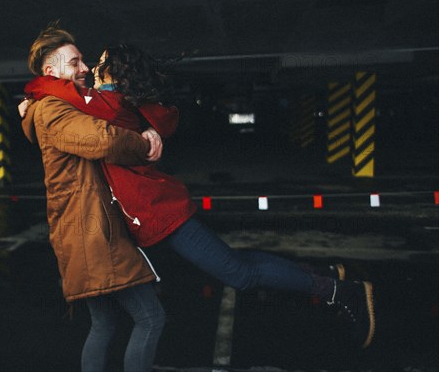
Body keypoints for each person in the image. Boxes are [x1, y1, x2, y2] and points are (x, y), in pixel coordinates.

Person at [20, 42, 376, 350]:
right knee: (236, 262)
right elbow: (95, 114)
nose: (90, 69)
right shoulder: (115, 105)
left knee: (240, 276)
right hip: (159, 212)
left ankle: (340, 291)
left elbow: (68, 108)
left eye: (98, 63)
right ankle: (322, 272)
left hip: (164, 215)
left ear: (113, 72)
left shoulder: (109, 105)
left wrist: (32, 104)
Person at [20, 24, 166, 372]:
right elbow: (104, 140)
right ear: (51, 72)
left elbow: (103, 113)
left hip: (84, 230)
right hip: (92, 234)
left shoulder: (53, 104)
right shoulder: (53, 109)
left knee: (105, 323)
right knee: (150, 317)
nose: (85, 68)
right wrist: (146, 141)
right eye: (75, 62)